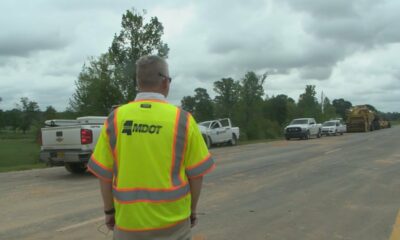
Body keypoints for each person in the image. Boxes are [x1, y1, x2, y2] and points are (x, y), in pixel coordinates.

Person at [87, 55, 215, 240]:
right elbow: (196, 175)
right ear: (164, 82)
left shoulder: (115, 119)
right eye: (169, 80)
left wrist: (109, 211)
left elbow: (104, 174)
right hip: (174, 223)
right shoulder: (183, 120)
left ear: (139, 82)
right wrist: (192, 211)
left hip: (128, 224)